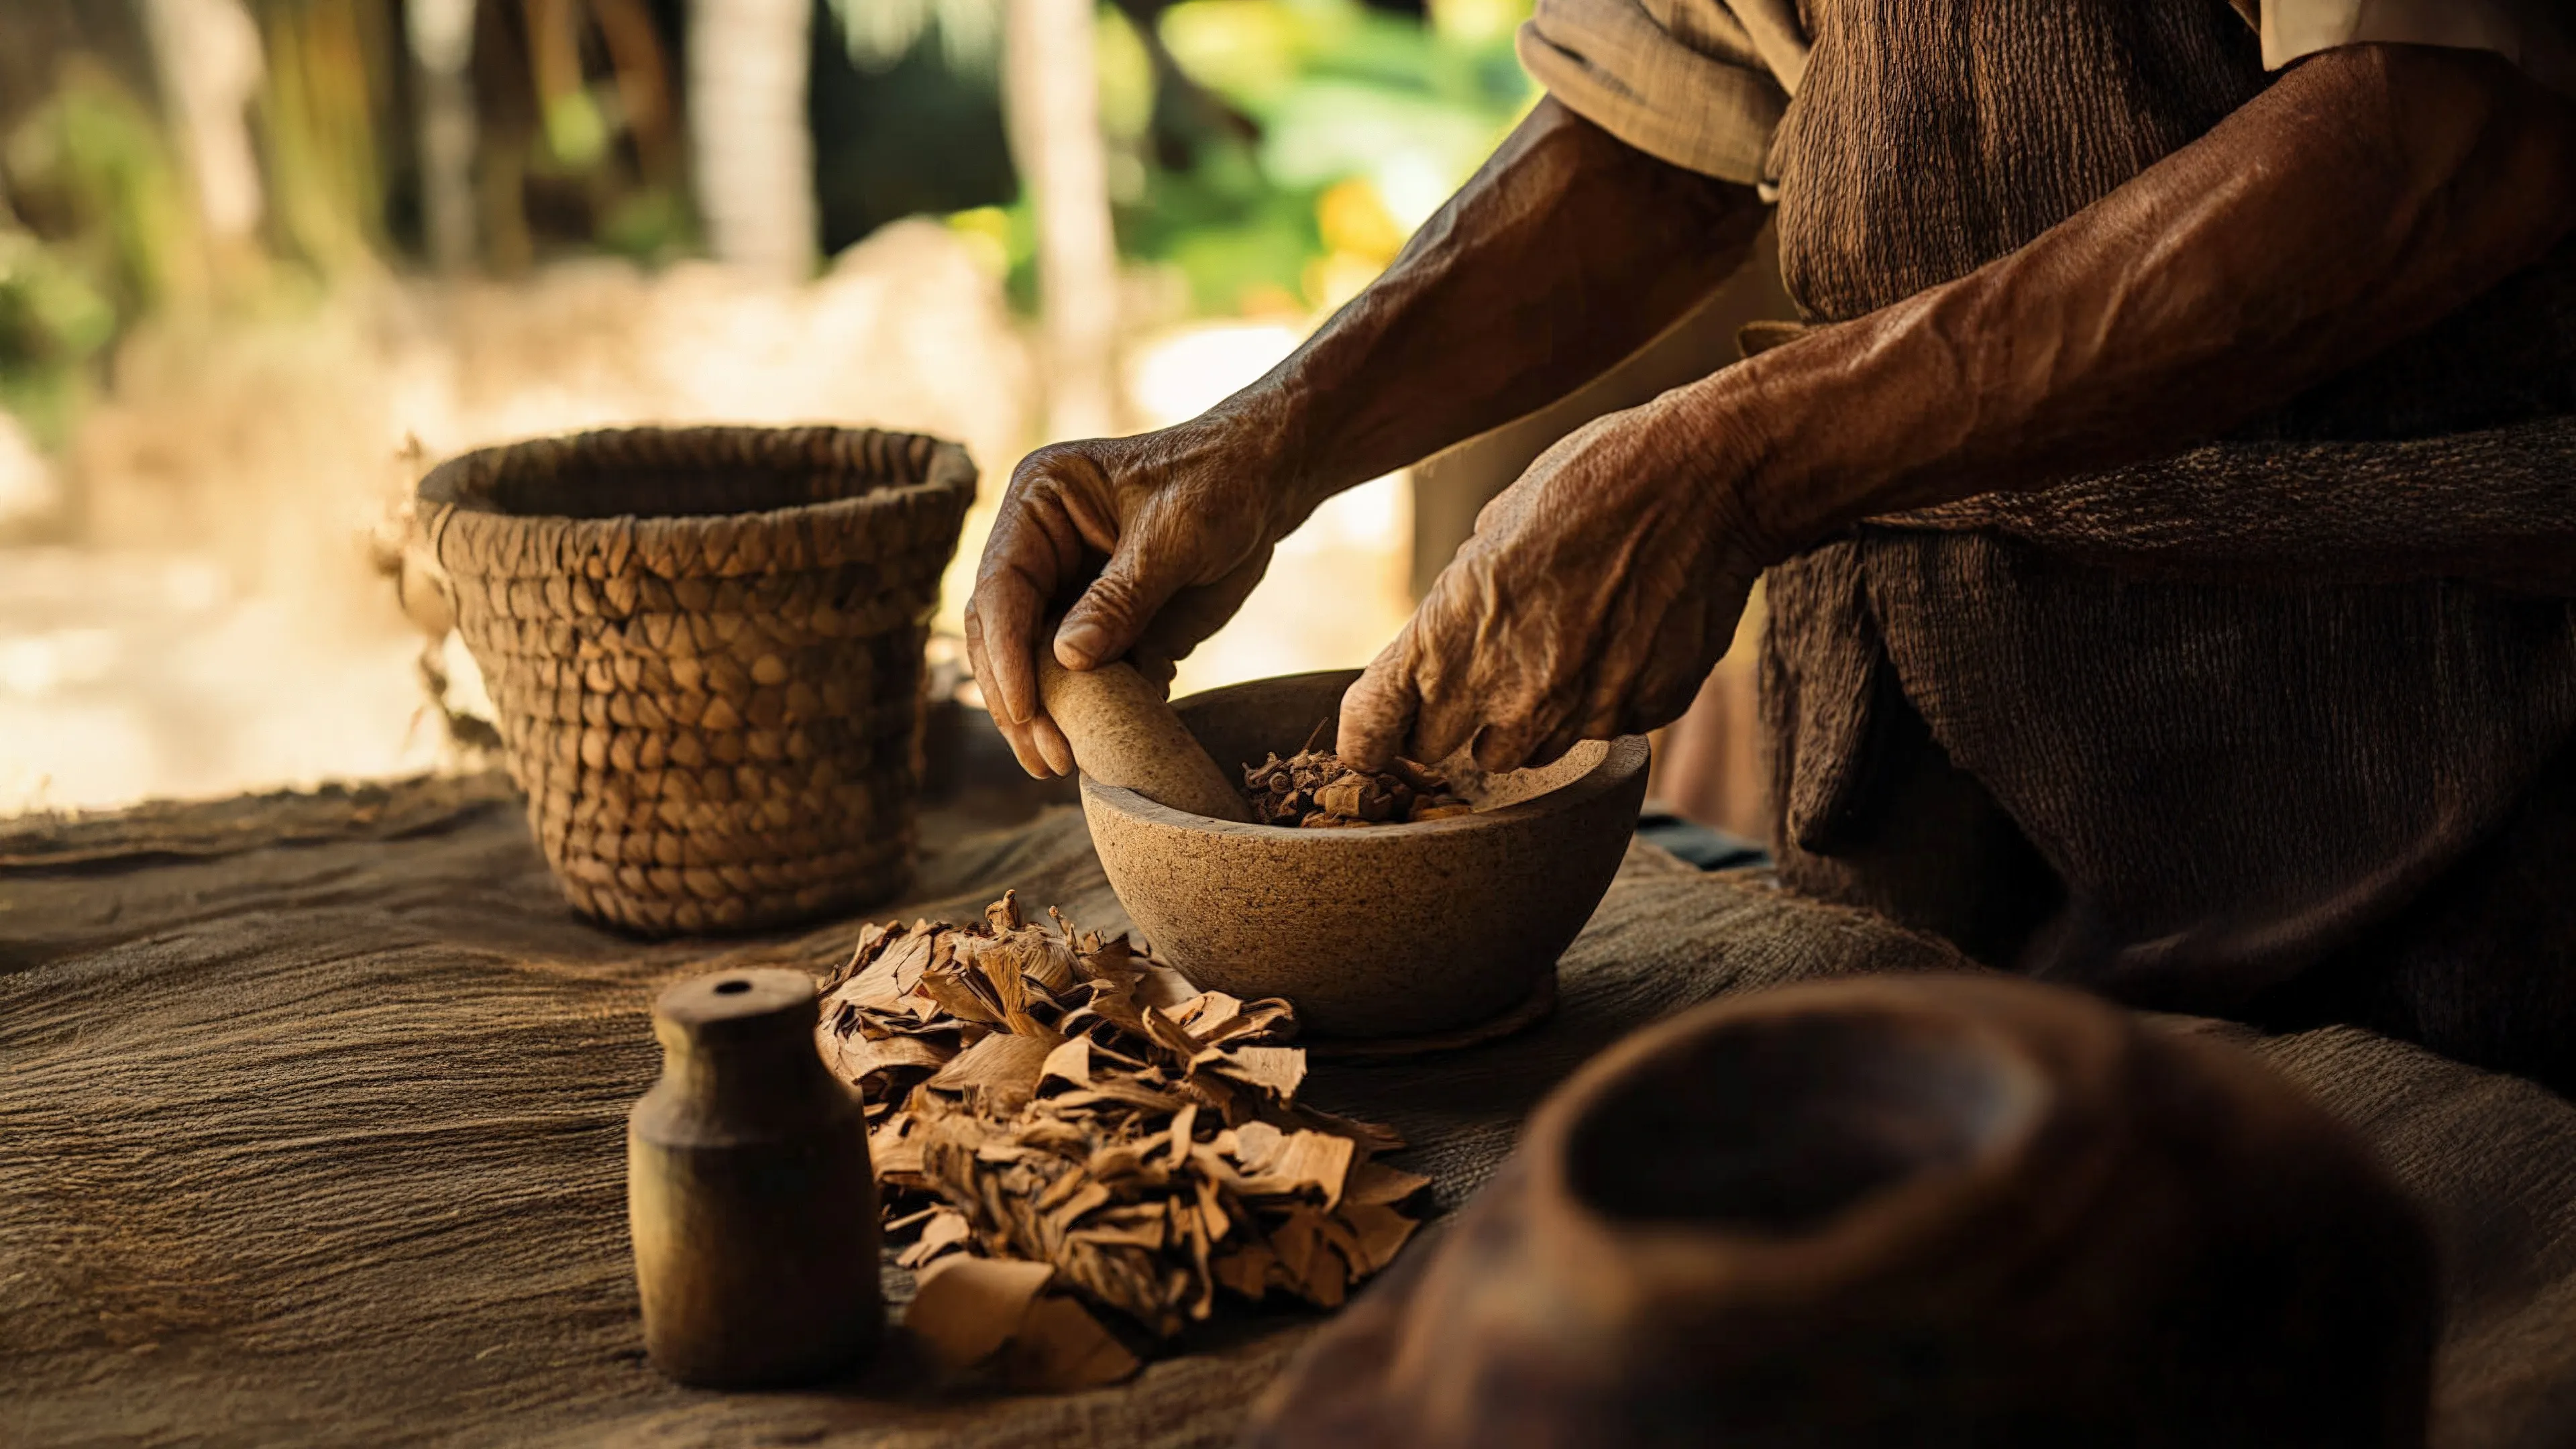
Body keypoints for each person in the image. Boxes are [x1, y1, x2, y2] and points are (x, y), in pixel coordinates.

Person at [964, 2, 2576, 1085]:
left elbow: (2444, 135)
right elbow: (1673, 120)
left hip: (2410, 723)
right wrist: (1263, 440)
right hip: (1942, 731)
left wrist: (1738, 462)